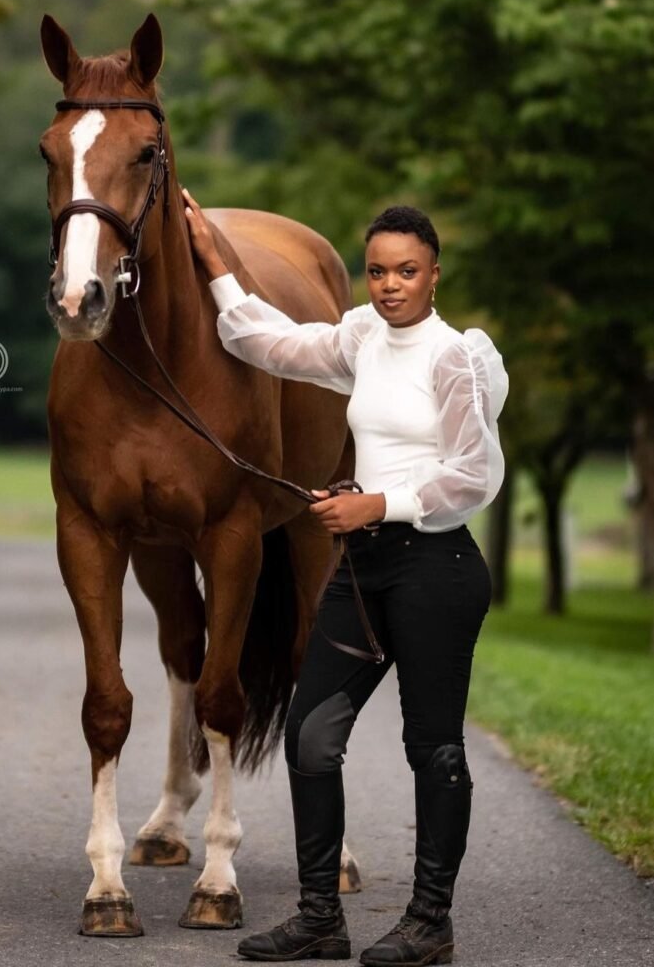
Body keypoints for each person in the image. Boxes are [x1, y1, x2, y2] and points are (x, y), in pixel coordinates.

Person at [182, 188, 508, 966]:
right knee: (308, 737)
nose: (389, 285)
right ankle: (319, 919)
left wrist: (377, 502)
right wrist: (215, 261)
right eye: (375, 271)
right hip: (360, 573)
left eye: (406, 271)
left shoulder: (456, 355)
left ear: (434, 274)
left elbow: (473, 474)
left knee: (431, 747)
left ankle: (430, 924)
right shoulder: (360, 337)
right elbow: (270, 343)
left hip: (436, 570)